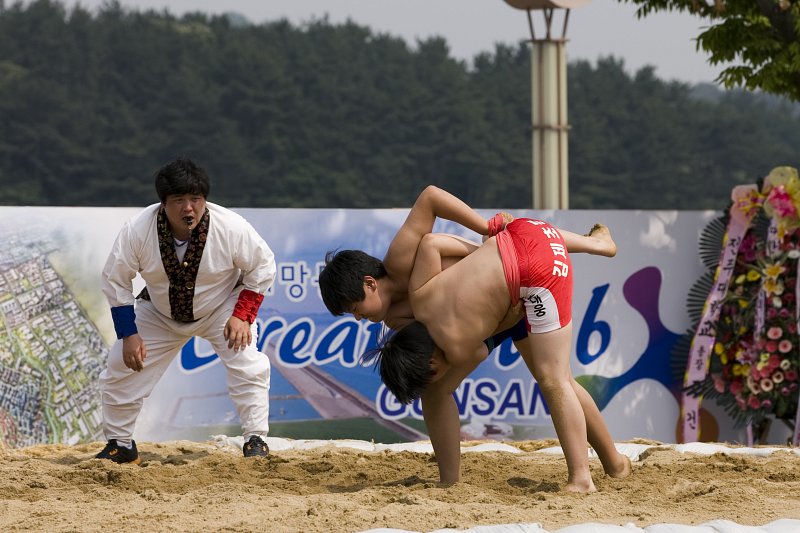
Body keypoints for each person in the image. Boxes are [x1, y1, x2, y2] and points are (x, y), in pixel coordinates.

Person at [369, 214, 630, 492]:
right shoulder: (419, 295)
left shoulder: (455, 346)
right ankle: (615, 464)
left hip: (535, 279)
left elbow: (479, 351)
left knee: (556, 380)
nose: (359, 317)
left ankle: (581, 479)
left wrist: (507, 309)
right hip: (522, 233)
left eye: (354, 309)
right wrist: (487, 250)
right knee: (560, 380)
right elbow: (433, 242)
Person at [95, 157, 276, 464]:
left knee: (248, 362)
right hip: (159, 312)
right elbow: (116, 278)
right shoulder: (137, 230)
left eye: (196, 199)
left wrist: (243, 315)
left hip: (221, 307)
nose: (188, 208)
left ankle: (255, 439)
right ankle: (121, 445)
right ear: (163, 203)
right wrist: (129, 333)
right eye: (179, 200)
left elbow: (262, 265)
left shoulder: (231, 227)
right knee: (121, 367)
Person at [319, 185, 616, 332]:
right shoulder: (396, 320)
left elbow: (431, 197)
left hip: (498, 270)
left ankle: (596, 245)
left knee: (515, 236)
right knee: (552, 380)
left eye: (355, 308)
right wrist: (506, 320)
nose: (359, 318)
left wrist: (485, 228)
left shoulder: (399, 260)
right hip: (498, 309)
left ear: (370, 283)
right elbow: (458, 333)